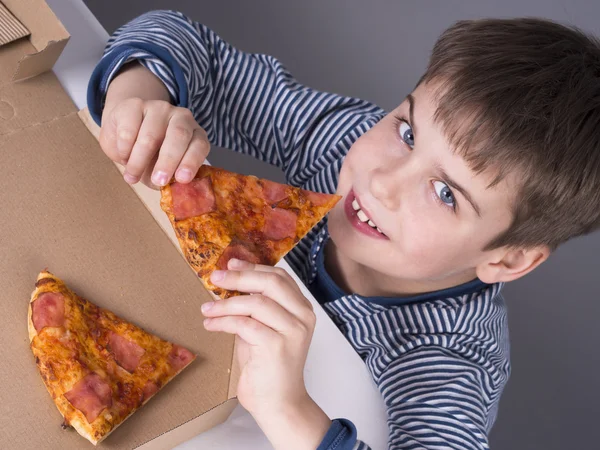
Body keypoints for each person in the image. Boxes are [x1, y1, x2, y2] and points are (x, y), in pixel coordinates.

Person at [87, 10, 600, 450]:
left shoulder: (452, 361)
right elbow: (189, 44)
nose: (382, 181)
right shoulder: (345, 141)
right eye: (407, 131)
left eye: (446, 194)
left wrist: (286, 407)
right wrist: (139, 103)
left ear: (508, 260)